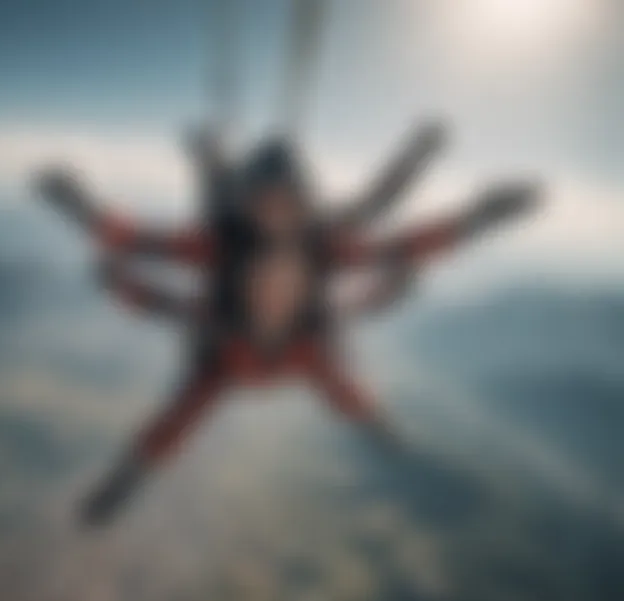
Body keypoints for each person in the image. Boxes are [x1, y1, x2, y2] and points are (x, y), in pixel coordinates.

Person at [34, 134, 540, 525]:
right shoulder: (222, 249)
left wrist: (481, 218)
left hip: (276, 346)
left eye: (287, 204)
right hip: (232, 347)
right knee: (188, 386)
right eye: (264, 203)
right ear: (246, 205)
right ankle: (125, 481)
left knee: (339, 383)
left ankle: (380, 430)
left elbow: (402, 244)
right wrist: (80, 209)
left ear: (305, 205)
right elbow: (143, 242)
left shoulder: (322, 259)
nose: (275, 215)